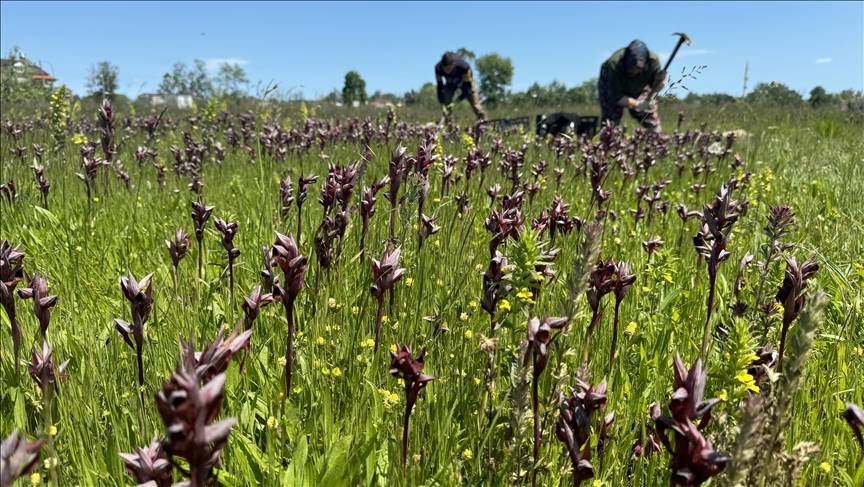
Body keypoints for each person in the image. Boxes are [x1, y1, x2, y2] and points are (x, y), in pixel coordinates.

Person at [598, 40, 666, 132]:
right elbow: (617, 97)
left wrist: (661, 81)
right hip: (613, 86)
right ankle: (607, 141)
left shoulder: (653, 61)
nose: (634, 72)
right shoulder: (613, 64)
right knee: (610, 121)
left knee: (648, 112)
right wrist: (638, 104)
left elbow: (655, 88)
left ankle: (656, 138)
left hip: (639, 87)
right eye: (631, 69)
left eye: (637, 69)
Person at [435, 52, 487, 121]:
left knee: (475, 104)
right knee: (446, 99)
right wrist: (442, 104)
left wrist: (455, 102)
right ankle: (449, 122)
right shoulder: (438, 68)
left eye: (449, 68)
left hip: (465, 83)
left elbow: (467, 90)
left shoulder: (464, 67)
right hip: (450, 83)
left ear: (453, 64)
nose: (447, 71)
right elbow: (440, 87)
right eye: (445, 68)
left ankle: (483, 120)